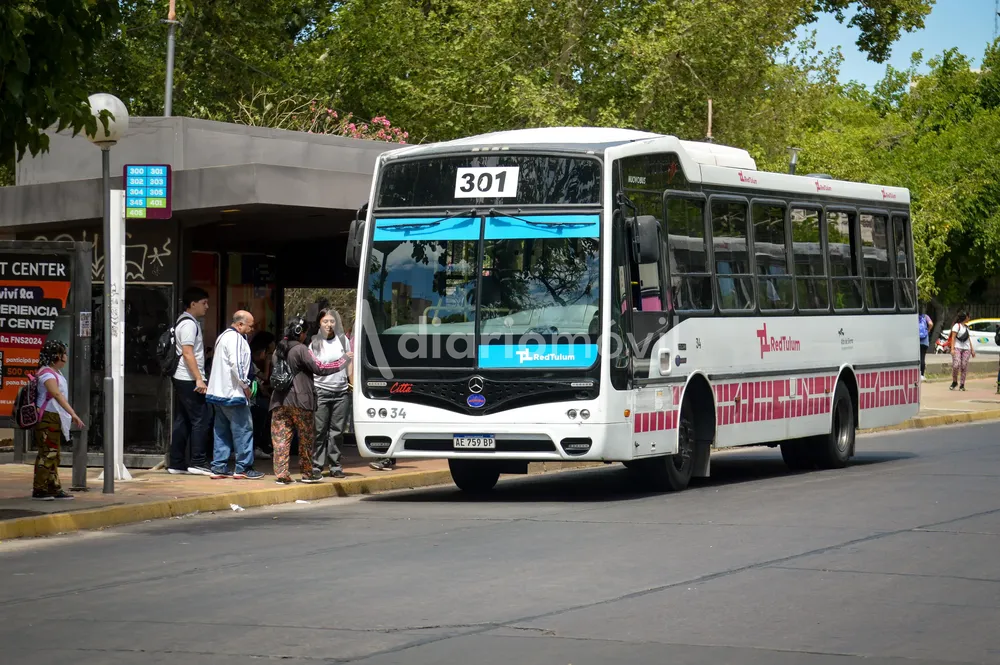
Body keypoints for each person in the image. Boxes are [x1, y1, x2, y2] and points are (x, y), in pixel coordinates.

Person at [270, 316, 352, 485]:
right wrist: (343, 360)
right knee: (306, 439)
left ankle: (282, 475)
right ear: (301, 333)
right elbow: (320, 368)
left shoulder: (278, 350)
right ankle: (307, 473)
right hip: (301, 401)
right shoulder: (301, 349)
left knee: (281, 440)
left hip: (279, 401)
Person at [206, 310, 263, 479]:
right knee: (244, 429)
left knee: (221, 430)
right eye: (250, 326)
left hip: (218, 393)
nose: (252, 329)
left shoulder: (223, 337)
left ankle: (219, 466)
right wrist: (245, 385)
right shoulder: (236, 339)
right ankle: (243, 467)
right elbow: (236, 364)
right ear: (240, 324)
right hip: (233, 393)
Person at [32, 340, 86, 500]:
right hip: (47, 418)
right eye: (64, 353)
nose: (66, 357)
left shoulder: (54, 372)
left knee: (53, 454)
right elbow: (57, 395)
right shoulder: (47, 374)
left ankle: (53, 487)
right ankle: (39, 489)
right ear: (57, 356)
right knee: (48, 453)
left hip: (53, 418)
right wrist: (73, 414)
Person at [168, 287, 213, 475]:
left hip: (184, 378)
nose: (207, 307)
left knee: (184, 420)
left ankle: (176, 463)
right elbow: (187, 353)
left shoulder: (185, 322)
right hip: (188, 378)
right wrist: (199, 379)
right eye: (204, 303)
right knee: (201, 418)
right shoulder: (189, 325)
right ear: (193, 304)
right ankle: (198, 461)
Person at [311, 308, 353, 480]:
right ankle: (317, 465)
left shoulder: (343, 340)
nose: (329, 325)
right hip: (320, 391)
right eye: (325, 321)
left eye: (332, 321)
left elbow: (349, 364)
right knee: (319, 431)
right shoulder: (313, 343)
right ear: (319, 323)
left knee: (337, 432)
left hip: (341, 392)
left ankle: (335, 465)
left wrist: (352, 384)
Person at [249, 331, 276, 461]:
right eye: (268, 352)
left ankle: (264, 444)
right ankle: (257, 446)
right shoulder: (251, 363)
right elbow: (264, 378)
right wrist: (267, 363)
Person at [949, 311, 975, 391]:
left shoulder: (967, 327)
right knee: (956, 365)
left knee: (964, 366)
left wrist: (972, 349)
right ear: (965, 317)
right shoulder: (957, 326)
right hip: (957, 347)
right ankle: (954, 381)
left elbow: (968, 339)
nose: (969, 318)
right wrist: (952, 349)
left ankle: (962, 384)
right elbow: (953, 337)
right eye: (968, 316)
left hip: (966, 349)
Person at [917, 307, 933, 381]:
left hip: (916, 341)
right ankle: (922, 375)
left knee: (916, 358)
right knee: (922, 357)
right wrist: (928, 330)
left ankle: (915, 373)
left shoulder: (914, 317)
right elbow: (930, 324)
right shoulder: (925, 316)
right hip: (924, 341)